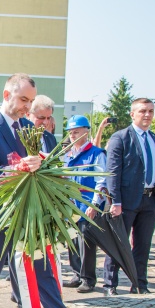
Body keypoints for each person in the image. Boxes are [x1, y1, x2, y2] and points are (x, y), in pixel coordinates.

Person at [0, 73, 104, 308]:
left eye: (30, 101)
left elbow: (34, 163)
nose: (27, 106)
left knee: (43, 271)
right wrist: (19, 167)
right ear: (7, 95)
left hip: (25, 216)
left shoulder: (24, 127)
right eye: (23, 100)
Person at [103, 98, 155, 296]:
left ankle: (139, 283)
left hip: (150, 199)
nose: (147, 115)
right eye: (142, 111)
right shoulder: (120, 138)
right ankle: (110, 284)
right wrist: (116, 201)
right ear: (133, 114)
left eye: (150, 111)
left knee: (143, 245)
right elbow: (112, 172)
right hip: (125, 201)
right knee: (118, 243)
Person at [62, 116, 106, 293]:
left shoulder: (96, 154)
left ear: (86, 132)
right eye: (71, 133)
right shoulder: (68, 154)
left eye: (76, 132)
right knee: (72, 241)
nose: (73, 136)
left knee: (86, 243)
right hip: (71, 204)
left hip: (88, 202)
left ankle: (88, 278)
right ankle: (76, 274)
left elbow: (102, 180)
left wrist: (95, 204)